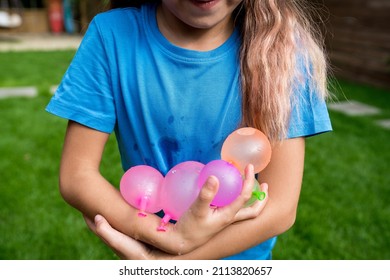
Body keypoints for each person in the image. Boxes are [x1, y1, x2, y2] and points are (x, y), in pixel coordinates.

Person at [46, 0, 332, 260]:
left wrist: (170, 264)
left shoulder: (283, 49)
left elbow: (280, 208)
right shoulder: (111, 36)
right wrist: (162, 235)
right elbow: (77, 175)